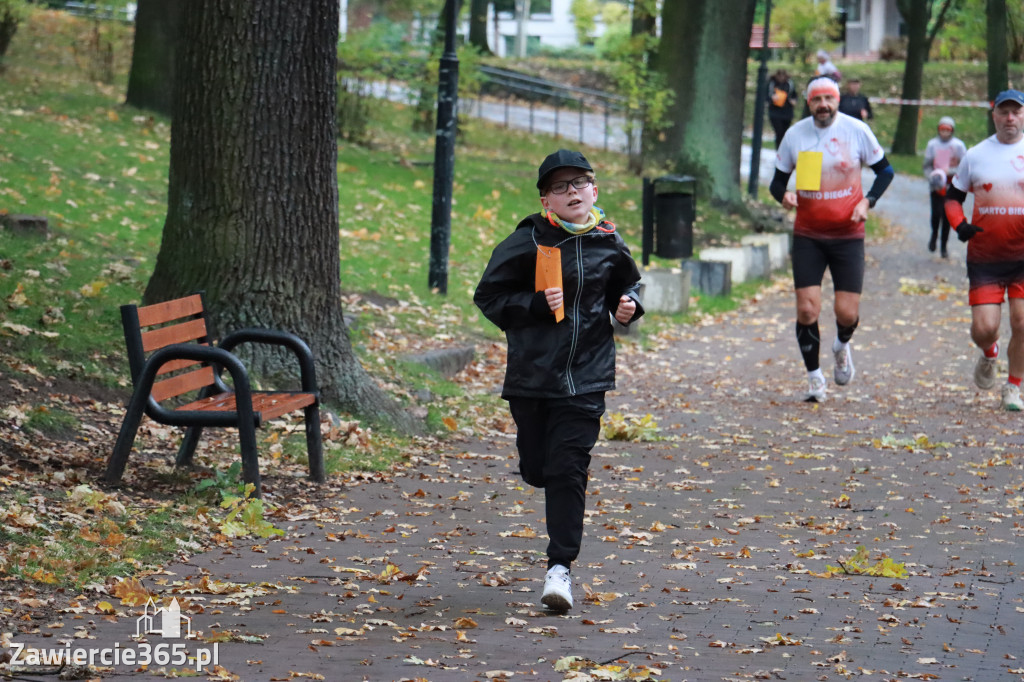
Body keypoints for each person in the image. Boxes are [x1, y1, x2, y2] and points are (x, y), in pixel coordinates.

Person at [474, 149, 644, 611]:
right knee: (539, 468)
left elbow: (628, 285)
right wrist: (532, 304)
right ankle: (539, 472)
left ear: (594, 191)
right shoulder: (528, 239)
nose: (572, 192)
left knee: (569, 468)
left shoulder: (608, 239)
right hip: (533, 378)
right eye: (560, 186)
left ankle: (559, 570)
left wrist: (628, 305)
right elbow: (487, 295)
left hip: (587, 378)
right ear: (546, 199)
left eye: (580, 183)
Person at [769, 76, 895, 402]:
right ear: (808, 103)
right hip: (808, 234)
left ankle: (841, 345)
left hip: (848, 235)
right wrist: (784, 197)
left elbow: (886, 171)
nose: (823, 104)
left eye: (829, 98)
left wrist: (868, 202)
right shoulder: (795, 135)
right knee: (808, 310)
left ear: (837, 100)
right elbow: (776, 183)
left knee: (847, 313)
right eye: (816, 99)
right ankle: (814, 379)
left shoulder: (856, 130)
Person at [944, 89, 1024, 412]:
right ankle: (989, 353)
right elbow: (952, 198)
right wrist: (959, 224)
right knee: (985, 328)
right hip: (985, 258)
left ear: (1023, 116)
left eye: (1016, 112)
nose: (1010, 118)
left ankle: (1014, 388)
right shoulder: (975, 155)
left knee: (1022, 323)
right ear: (994, 116)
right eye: (1003, 112)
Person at [922, 116, 967, 258]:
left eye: (948, 130)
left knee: (947, 216)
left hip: (951, 185)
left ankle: (944, 246)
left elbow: (964, 165)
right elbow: (927, 165)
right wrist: (933, 176)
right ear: (938, 130)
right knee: (936, 214)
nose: (945, 133)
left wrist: (951, 173)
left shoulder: (958, 146)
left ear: (952, 131)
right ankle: (934, 234)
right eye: (942, 129)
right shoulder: (932, 144)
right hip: (936, 185)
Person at [767, 68, 796, 149]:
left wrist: (793, 101)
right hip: (775, 112)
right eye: (779, 76)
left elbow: (794, 95)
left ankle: (783, 150)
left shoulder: (789, 84)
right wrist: (772, 99)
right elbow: (766, 97)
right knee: (778, 132)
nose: (781, 78)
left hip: (787, 112)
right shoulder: (772, 84)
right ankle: (779, 149)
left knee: (785, 133)